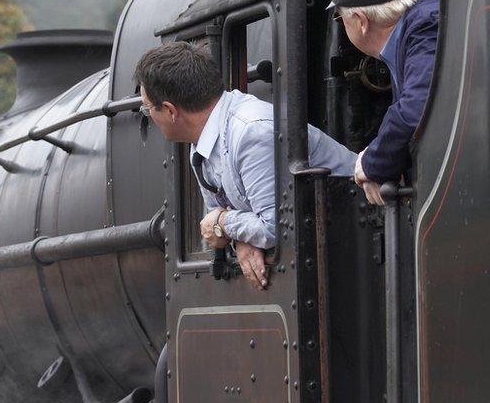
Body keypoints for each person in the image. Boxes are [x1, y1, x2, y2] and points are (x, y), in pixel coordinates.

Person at [134, 42, 358, 290]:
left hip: (354, 240)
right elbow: (219, 221)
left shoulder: (251, 132)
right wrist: (239, 238)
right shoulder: (200, 145)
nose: (149, 117)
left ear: (169, 110)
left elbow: (275, 227)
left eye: (147, 109)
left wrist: (225, 225)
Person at [322, 0, 439, 204]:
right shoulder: (413, 32)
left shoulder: (426, 26)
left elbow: (415, 109)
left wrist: (371, 163)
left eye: (339, 17)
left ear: (361, 21)